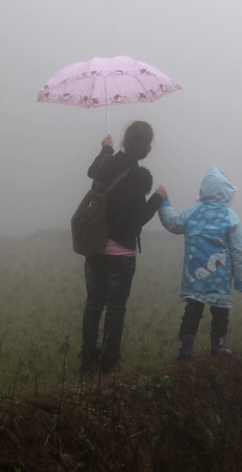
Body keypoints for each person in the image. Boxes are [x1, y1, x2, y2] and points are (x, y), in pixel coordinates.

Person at [80, 120, 166, 375]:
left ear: (123, 142)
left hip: (95, 248)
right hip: (121, 254)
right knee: (115, 307)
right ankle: (109, 361)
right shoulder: (139, 178)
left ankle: (87, 360)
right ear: (147, 149)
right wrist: (158, 198)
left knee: (94, 303)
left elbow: (92, 172)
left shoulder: (106, 164)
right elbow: (138, 218)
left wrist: (106, 149)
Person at [156, 168, 242, 361]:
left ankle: (185, 350)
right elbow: (239, 250)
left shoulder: (193, 212)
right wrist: (241, 280)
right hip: (219, 281)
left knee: (192, 312)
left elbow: (172, 223)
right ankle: (218, 347)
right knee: (221, 314)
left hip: (194, 279)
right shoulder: (231, 217)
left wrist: (163, 203)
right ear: (227, 192)